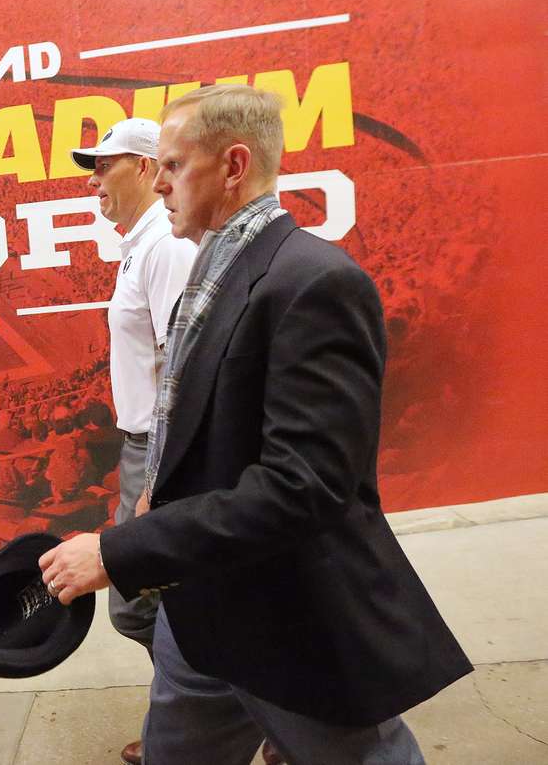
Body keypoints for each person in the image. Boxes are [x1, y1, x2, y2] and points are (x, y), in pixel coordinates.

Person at [38, 85, 472, 764]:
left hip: (287, 613)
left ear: (234, 166)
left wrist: (119, 552)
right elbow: (194, 406)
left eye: (173, 166)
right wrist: (157, 495)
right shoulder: (216, 259)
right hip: (204, 605)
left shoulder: (314, 281)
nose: (156, 183)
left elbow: (304, 487)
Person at [72, 117, 197, 763]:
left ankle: (206, 720)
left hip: (160, 451)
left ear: (147, 168)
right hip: (144, 448)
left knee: (140, 606)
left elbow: (187, 366)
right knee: (165, 604)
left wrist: (156, 479)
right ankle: (208, 718)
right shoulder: (143, 244)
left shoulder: (165, 248)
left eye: (104, 165)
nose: (94, 180)